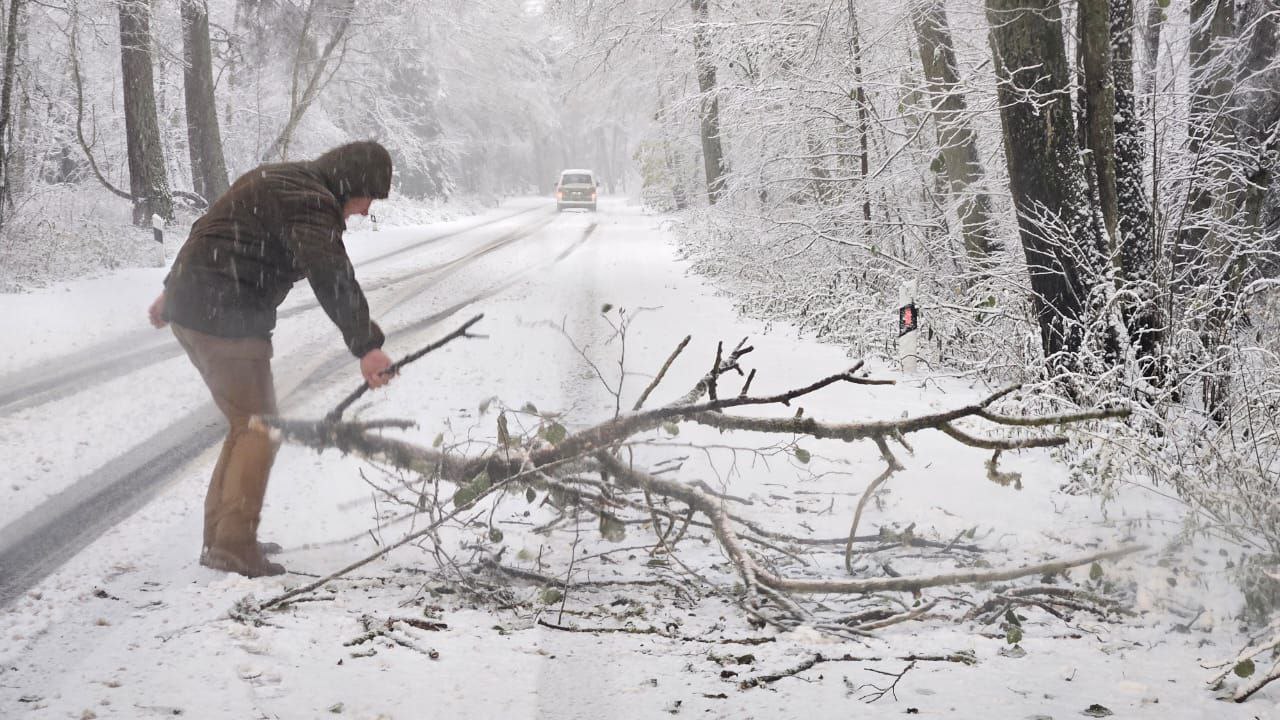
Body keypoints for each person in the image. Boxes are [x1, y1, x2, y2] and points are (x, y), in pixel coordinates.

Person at [148, 141, 396, 577]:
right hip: (224, 314)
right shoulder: (311, 202)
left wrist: (174, 289)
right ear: (352, 184)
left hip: (197, 307)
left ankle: (224, 537)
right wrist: (367, 345)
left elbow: (210, 225)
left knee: (248, 426)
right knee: (260, 427)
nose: (366, 210)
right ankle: (231, 545)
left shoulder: (279, 178)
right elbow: (330, 271)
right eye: (369, 197)